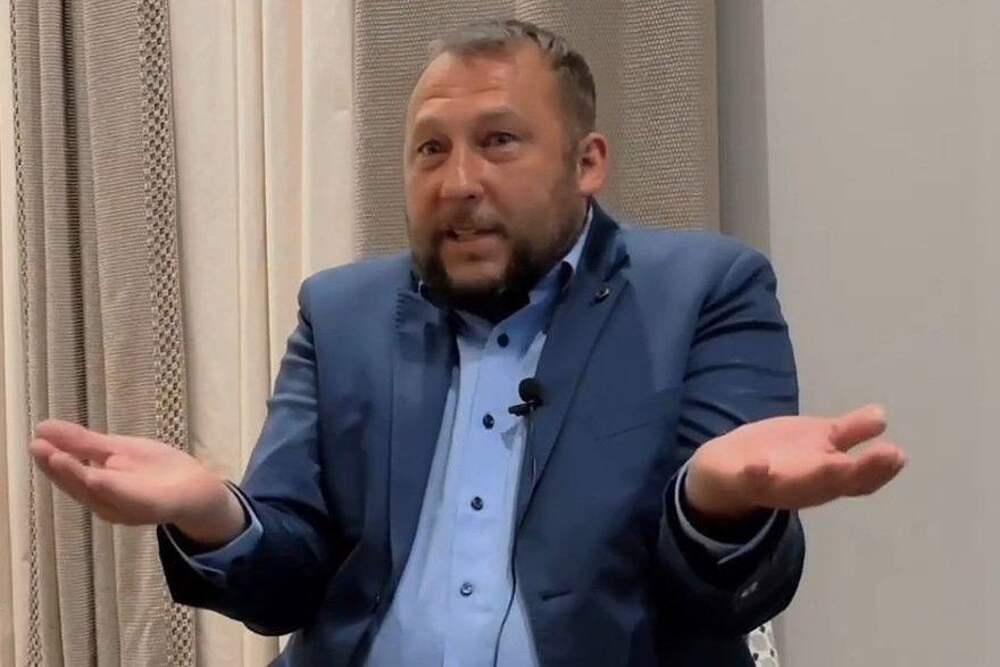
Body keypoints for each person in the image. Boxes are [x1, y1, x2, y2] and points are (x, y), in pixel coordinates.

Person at [28, 19, 906, 667]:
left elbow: (723, 599)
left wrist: (713, 504)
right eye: (430, 150)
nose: (458, 182)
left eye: (499, 142)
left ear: (588, 162)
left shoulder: (703, 291)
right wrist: (212, 513)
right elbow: (287, 583)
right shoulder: (342, 313)